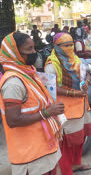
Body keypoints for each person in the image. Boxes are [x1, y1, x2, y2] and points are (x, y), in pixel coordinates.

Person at [0, 32, 64, 175]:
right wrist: (48, 112)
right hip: (31, 156)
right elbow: (13, 120)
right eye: (29, 50)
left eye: (34, 48)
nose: (34, 53)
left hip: (42, 148)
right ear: (14, 53)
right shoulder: (13, 83)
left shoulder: (29, 73)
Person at [45, 33, 91, 174]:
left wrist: (87, 82)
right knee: (66, 142)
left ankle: (76, 163)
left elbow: (87, 73)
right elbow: (51, 87)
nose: (70, 47)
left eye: (71, 44)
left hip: (82, 105)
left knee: (81, 137)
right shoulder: (51, 65)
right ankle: (67, 170)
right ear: (56, 46)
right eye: (65, 45)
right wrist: (73, 93)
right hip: (65, 109)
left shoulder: (76, 58)